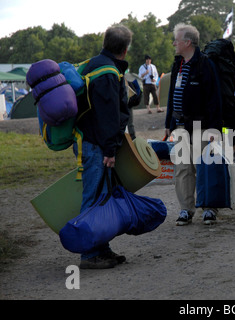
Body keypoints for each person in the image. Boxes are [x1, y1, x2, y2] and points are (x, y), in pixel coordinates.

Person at [73, 24, 133, 268]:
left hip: (90, 140)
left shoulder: (93, 64)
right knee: (93, 198)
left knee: (101, 198)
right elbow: (108, 115)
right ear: (125, 50)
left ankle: (102, 247)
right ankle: (89, 253)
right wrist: (110, 150)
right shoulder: (108, 72)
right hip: (98, 145)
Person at [165, 23, 222, 226]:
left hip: (202, 127)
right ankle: (186, 210)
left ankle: (209, 208)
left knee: (204, 167)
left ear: (188, 42)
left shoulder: (205, 64)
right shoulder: (178, 64)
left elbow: (214, 98)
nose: (174, 43)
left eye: (177, 40)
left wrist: (214, 128)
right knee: (182, 169)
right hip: (180, 127)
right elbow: (172, 95)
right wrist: (168, 123)